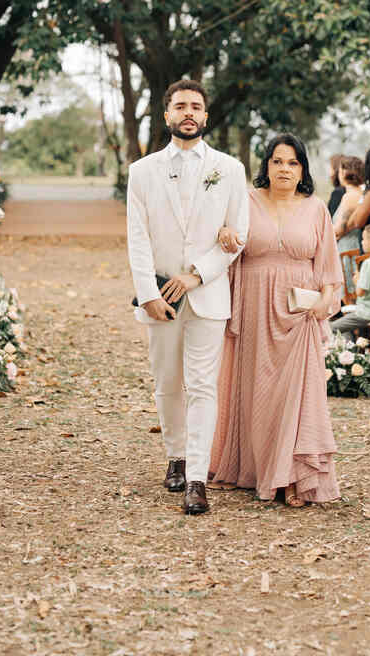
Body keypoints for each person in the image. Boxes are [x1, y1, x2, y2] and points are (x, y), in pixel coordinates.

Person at [126, 80, 249, 515]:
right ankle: (175, 456)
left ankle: (197, 477)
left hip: (208, 295)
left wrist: (199, 274)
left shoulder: (230, 169)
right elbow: (137, 239)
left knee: (202, 386)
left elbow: (239, 234)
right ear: (166, 114)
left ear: (206, 116)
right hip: (160, 297)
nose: (188, 112)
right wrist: (146, 295)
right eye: (180, 105)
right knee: (167, 383)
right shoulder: (141, 172)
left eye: (196, 106)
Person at [210, 133, 343, 506]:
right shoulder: (246, 202)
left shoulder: (316, 208)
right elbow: (227, 243)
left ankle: (291, 476)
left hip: (298, 312)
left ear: (302, 169)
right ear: (266, 166)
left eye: (292, 163)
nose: (284, 169)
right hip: (253, 306)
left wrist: (325, 301)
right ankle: (255, 468)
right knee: (257, 390)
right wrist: (223, 232)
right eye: (277, 161)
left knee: (296, 394)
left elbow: (330, 267)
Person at [331, 223, 370, 336]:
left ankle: (346, 351)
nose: (361, 242)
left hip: (368, 313)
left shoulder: (369, 263)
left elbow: (360, 292)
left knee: (331, 328)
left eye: (363, 239)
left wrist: (357, 280)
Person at [327, 153, 345, 217]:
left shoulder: (338, 192)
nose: (329, 172)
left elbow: (332, 218)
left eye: (330, 168)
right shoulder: (348, 190)